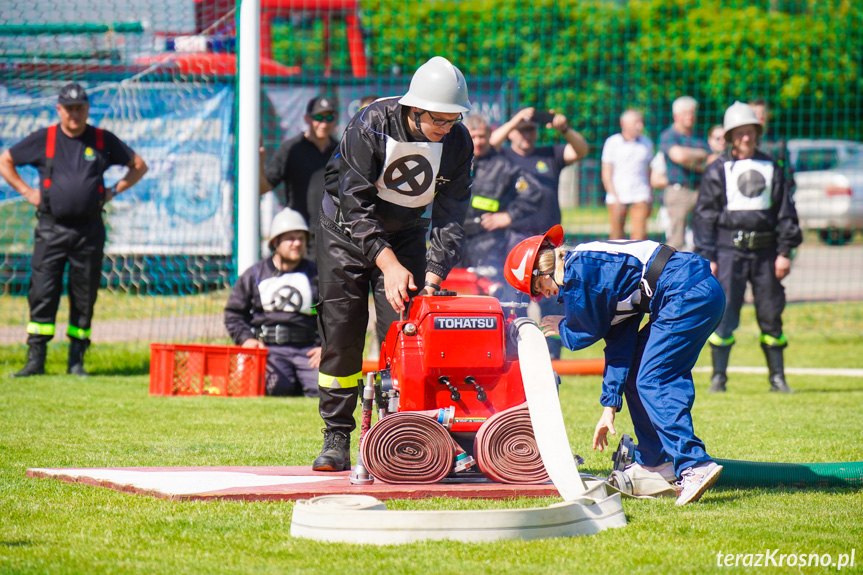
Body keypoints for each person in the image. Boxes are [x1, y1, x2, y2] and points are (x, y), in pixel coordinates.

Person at [312, 56, 474, 471]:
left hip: (406, 235)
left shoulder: (458, 142)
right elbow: (355, 204)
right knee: (343, 332)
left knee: (406, 336)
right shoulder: (370, 124)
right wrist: (387, 264)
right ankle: (336, 436)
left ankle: (400, 431)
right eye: (437, 120)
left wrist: (435, 276)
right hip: (344, 233)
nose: (445, 129)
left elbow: (453, 215)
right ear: (413, 108)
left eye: (453, 120)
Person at [503, 225, 726, 506]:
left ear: (543, 270)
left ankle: (695, 465)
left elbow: (587, 329)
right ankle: (655, 464)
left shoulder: (582, 272)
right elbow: (620, 345)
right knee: (638, 374)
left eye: (538, 288)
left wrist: (565, 327)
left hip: (687, 294)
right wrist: (609, 407)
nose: (545, 295)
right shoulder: (589, 272)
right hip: (691, 293)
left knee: (653, 379)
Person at [0, 83, 148, 377]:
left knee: (84, 294)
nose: (74, 114)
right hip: (51, 229)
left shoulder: (102, 139)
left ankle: (76, 360)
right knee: (42, 291)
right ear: (59, 110)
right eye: (69, 109)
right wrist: (28, 193)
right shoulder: (45, 139)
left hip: (89, 231)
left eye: (80, 108)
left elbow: (139, 166)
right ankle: (36, 359)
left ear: (87, 110)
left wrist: (113, 191)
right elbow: (5, 161)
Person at [694, 101, 802, 394]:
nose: (746, 138)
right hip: (728, 253)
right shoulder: (718, 170)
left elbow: (785, 213)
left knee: (770, 313)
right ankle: (719, 378)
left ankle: (777, 378)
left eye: (750, 131)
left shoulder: (772, 167)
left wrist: (784, 251)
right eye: (739, 133)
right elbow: (705, 216)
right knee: (724, 314)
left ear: (757, 132)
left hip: (766, 253)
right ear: (730, 137)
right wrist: (708, 256)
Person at [489, 106, 589, 358]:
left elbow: (581, 151)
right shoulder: (505, 157)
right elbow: (490, 144)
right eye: (521, 130)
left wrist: (564, 129)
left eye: (530, 130)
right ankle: (516, 350)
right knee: (514, 298)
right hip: (517, 239)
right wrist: (515, 119)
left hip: (547, 241)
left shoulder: (549, 154)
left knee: (553, 296)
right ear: (512, 132)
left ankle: (553, 351)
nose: (526, 135)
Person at [224, 208, 321, 397]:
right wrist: (246, 340)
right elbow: (234, 314)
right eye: (291, 238)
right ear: (275, 242)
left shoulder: (317, 275)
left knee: (324, 389)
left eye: (301, 238)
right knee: (274, 388)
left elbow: (334, 314)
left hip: (309, 351)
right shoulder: (254, 275)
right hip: (269, 350)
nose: (297, 243)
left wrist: (327, 347)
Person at [458, 113, 544, 281]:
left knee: (486, 297)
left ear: (490, 135)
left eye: (482, 136)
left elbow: (533, 193)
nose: (478, 142)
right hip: (454, 241)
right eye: (473, 136)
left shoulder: (504, 166)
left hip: (488, 244)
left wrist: (508, 216)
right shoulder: (454, 163)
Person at [260, 95, 339, 259]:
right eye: (318, 117)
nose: (324, 123)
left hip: (334, 238)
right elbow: (264, 187)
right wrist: (258, 164)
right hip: (300, 238)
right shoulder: (291, 149)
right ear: (307, 119)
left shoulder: (341, 151)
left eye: (329, 118)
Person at [658, 96, 714, 250]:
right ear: (676, 116)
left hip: (700, 190)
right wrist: (701, 156)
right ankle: (671, 271)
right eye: (686, 113)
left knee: (702, 236)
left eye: (693, 113)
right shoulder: (669, 135)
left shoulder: (699, 136)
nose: (691, 116)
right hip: (678, 191)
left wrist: (690, 159)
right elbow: (678, 156)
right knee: (676, 241)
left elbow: (712, 160)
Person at [601, 110, 654, 240]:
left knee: (640, 236)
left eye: (641, 122)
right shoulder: (612, 142)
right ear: (623, 124)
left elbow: (649, 171)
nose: (640, 126)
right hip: (617, 195)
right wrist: (614, 196)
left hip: (640, 194)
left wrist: (651, 195)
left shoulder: (647, 143)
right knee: (616, 237)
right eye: (636, 122)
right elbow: (606, 172)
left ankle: (637, 260)